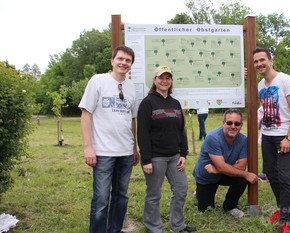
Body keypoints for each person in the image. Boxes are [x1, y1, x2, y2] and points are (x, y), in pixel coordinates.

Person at [79, 45, 140, 233]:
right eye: (120, 59)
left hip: (125, 152)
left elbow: (132, 120)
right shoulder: (98, 81)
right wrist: (88, 147)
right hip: (103, 152)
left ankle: (114, 230)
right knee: (101, 199)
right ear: (112, 61)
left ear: (131, 65)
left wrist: (134, 148)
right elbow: (86, 113)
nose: (123, 63)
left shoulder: (131, 89)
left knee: (121, 196)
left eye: (127, 60)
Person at [137, 65, 196, 233]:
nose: (164, 81)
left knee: (181, 189)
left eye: (167, 78)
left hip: (174, 156)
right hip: (156, 158)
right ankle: (153, 227)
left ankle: (178, 225)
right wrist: (146, 159)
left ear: (171, 81)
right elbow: (142, 133)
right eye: (161, 77)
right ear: (154, 80)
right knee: (154, 194)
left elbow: (181, 129)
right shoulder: (147, 103)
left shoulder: (175, 103)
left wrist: (183, 153)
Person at [253, 47, 290, 233]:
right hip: (267, 135)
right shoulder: (260, 85)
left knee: (284, 177)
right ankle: (281, 208)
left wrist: (289, 137)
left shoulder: (286, 80)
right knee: (272, 175)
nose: (259, 64)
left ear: (271, 60)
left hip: (283, 135)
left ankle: (286, 220)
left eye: (262, 60)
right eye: (256, 62)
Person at [192, 108, 258, 218]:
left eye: (237, 123)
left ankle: (230, 206)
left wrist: (218, 169)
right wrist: (247, 174)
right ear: (223, 123)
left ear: (241, 125)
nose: (233, 126)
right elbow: (225, 167)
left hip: (219, 171)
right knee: (207, 211)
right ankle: (199, 192)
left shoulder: (244, 140)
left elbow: (241, 166)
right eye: (229, 122)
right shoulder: (212, 138)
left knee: (241, 180)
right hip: (207, 175)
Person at [257, 106, 268, 182]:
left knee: (267, 156)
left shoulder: (262, 109)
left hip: (266, 136)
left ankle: (265, 173)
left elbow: (258, 123)